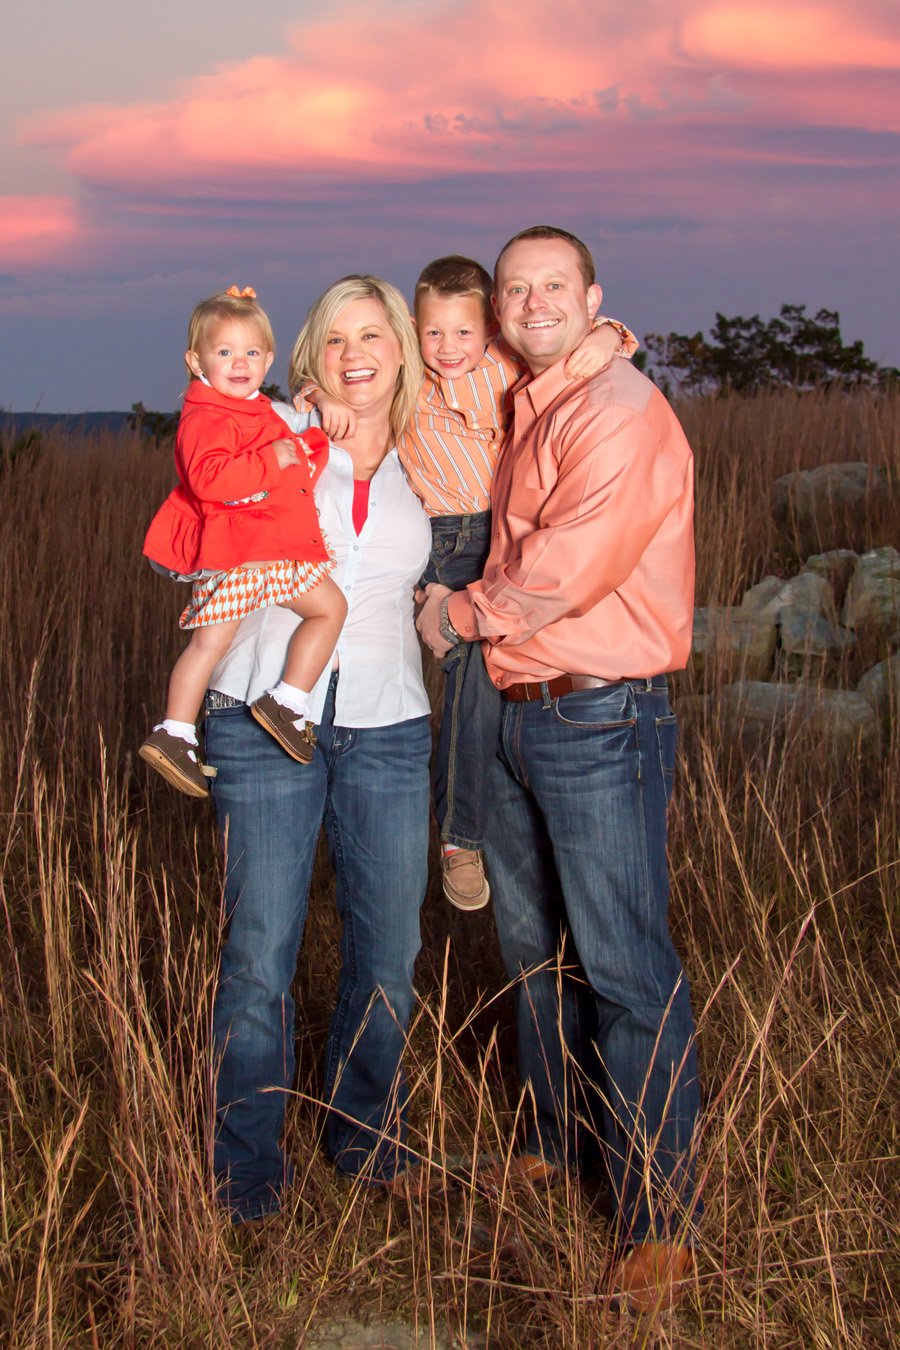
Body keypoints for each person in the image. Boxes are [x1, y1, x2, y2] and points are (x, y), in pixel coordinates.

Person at [417, 226, 701, 1308]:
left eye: (552, 285)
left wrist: (456, 613)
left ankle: (662, 1219)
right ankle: (556, 1141)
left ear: (593, 296)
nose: (531, 302)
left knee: (625, 967)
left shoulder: (619, 412)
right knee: (537, 952)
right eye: (514, 288)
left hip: (598, 716)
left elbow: (568, 569)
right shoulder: (529, 400)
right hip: (519, 710)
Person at [203, 275, 434, 1224]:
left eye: (373, 334)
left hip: (389, 722)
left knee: (390, 950)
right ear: (310, 355)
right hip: (264, 715)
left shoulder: (435, 456)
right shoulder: (277, 434)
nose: (354, 353)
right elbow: (214, 429)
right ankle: (246, 1176)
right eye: (334, 338)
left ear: (402, 350)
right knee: (261, 950)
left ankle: (364, 1137)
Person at [305, 255, 636, 912]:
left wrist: (603, 337)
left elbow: (601, 341)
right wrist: (317, 397)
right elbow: (343, 381)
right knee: (469, 669)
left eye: (463, 333)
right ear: (412, 333)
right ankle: (457, 835)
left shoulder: (508, 369)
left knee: (507, 657)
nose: (448, 350)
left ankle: (504, 798)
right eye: (433, 334)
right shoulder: (409, 386)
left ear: (488, 327)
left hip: (513, 528)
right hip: (447, 540)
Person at [140, 286, 347, 797]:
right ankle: (185, 728)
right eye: (225, 352)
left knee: (318, 613)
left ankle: (259, 710)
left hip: (267, 547)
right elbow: (210, 479)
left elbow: (291, 458)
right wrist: (276, 458)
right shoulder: (205, 415)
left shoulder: (259, 409)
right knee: (218, 641)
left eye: (251, 352)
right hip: (242, 552)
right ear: (196, 361)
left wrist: (306, 443)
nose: (240, 363)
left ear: (269, 358)